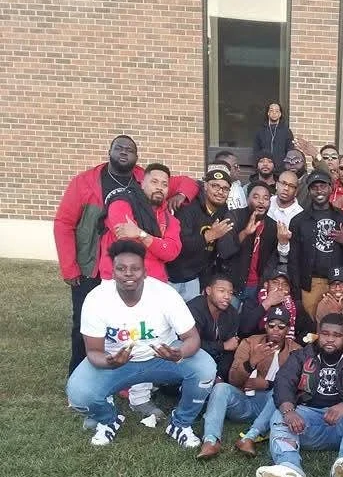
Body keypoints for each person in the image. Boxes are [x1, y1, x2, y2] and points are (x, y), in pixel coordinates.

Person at [54, 135, 198, 373]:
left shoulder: (145, 177)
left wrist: (180, 196)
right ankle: (81, 374)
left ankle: (134, 376)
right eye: (118, 148)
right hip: (92, 263)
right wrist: (69, 267)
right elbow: (64, 223)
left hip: (139, 272)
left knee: (133, 327)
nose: (123, 152)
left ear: (136, 157)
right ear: (109, 151)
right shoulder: (85, 182)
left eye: (129, 149)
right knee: (86, 323)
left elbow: (188, 183)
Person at [66, 240, 216, 448]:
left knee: (205, 369)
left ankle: (181, 424)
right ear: (113, 272)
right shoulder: (96, 299)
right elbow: (93, 351)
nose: (128, 273)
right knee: (78, 394)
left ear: (145, 272)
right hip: (117, 362)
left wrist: (179, 353)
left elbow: (193, 338)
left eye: (135, 268)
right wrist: (110, 362)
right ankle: (108, 420)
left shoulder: (165, 294)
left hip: (161, 357)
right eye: (121, 268)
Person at [255, 313, 343, 477]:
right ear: (318, 334)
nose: (330, 339)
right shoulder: (302, 355)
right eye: (325, 334)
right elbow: (283, 381)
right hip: (307, 425)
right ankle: (290, 467)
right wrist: (289, 412)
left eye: (337, 335)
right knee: (280, 413)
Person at [197, 305, 299, 460]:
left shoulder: (296, 351)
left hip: (271, 406)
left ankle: (250, 437)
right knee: (221, 388)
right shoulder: (250, 343)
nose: (276, 330)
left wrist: (268, 384)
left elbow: (295, 385)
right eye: (272, 326)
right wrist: (251, 363)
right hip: (243, 401)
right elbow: (233, 379)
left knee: (281, 392)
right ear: (266, 326)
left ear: (288, 329)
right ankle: (211, 440)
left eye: (281, 327)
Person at [97, 163, 182, 282]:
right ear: (142, 184)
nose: (159, 187)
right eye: (154, 182)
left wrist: (140, 234)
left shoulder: (170, 219)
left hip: (155, 281)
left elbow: (171, 252)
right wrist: (159, 245)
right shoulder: (121, 202)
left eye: (164, 184)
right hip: (118, 280)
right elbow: (128, 244)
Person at [287, 169, 343, 318]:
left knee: (337, 323)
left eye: (323, 186)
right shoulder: (298, 220)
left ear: (331, 188)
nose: (319, 191)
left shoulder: (342, 217)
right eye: (314, 187)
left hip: (337, 283)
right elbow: (294, 259)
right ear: (309, 191)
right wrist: (296, 289)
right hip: (311, 283)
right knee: (312, 324)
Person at [168, 164, 235, 302]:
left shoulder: (223, 211)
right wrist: (209, 235)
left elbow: (221, 252)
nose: (220, 192)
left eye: (225, 188)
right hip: (173, 277)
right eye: (215, 186)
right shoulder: (188, 207)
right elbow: (180, 246)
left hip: (196, 278)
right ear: (205, 186)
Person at [216, 183, 287, 306]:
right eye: (256, 197)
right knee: (229, 318)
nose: (261, 201)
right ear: (247, 199)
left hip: (256, 288)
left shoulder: (272, 226)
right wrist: (245, 233)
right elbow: (223, 251)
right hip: (232, 286)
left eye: (266, 198)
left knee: (252, 318)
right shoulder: (234, 216)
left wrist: (283, 242)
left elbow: (274, 259)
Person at [187, 275, 240, 382]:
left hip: (216, 361)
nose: (227, 296)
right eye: (221, 291)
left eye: (230, 293)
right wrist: (222, 346)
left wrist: (220, 376)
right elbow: (189, 344)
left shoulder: (232, 313)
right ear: (208, 291)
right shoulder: (194, 309)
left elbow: (231, 347)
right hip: (191, 358)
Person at [252, 102, 294, 171]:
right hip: (264, 169)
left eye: (277, 111)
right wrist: (257, 166)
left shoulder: (287, 131)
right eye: (271, 110)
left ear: (280, 114)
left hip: (281, 169)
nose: (274, 113)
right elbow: (256, 151)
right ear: (268, 113)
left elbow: (290, 151)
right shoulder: (260, 131)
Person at [268, 170, 303, 241]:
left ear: (296, 192)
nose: (286, 188)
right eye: (283, 183)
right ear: (276, 185)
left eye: (291, 186)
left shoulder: (300, 215)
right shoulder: (266, 203)